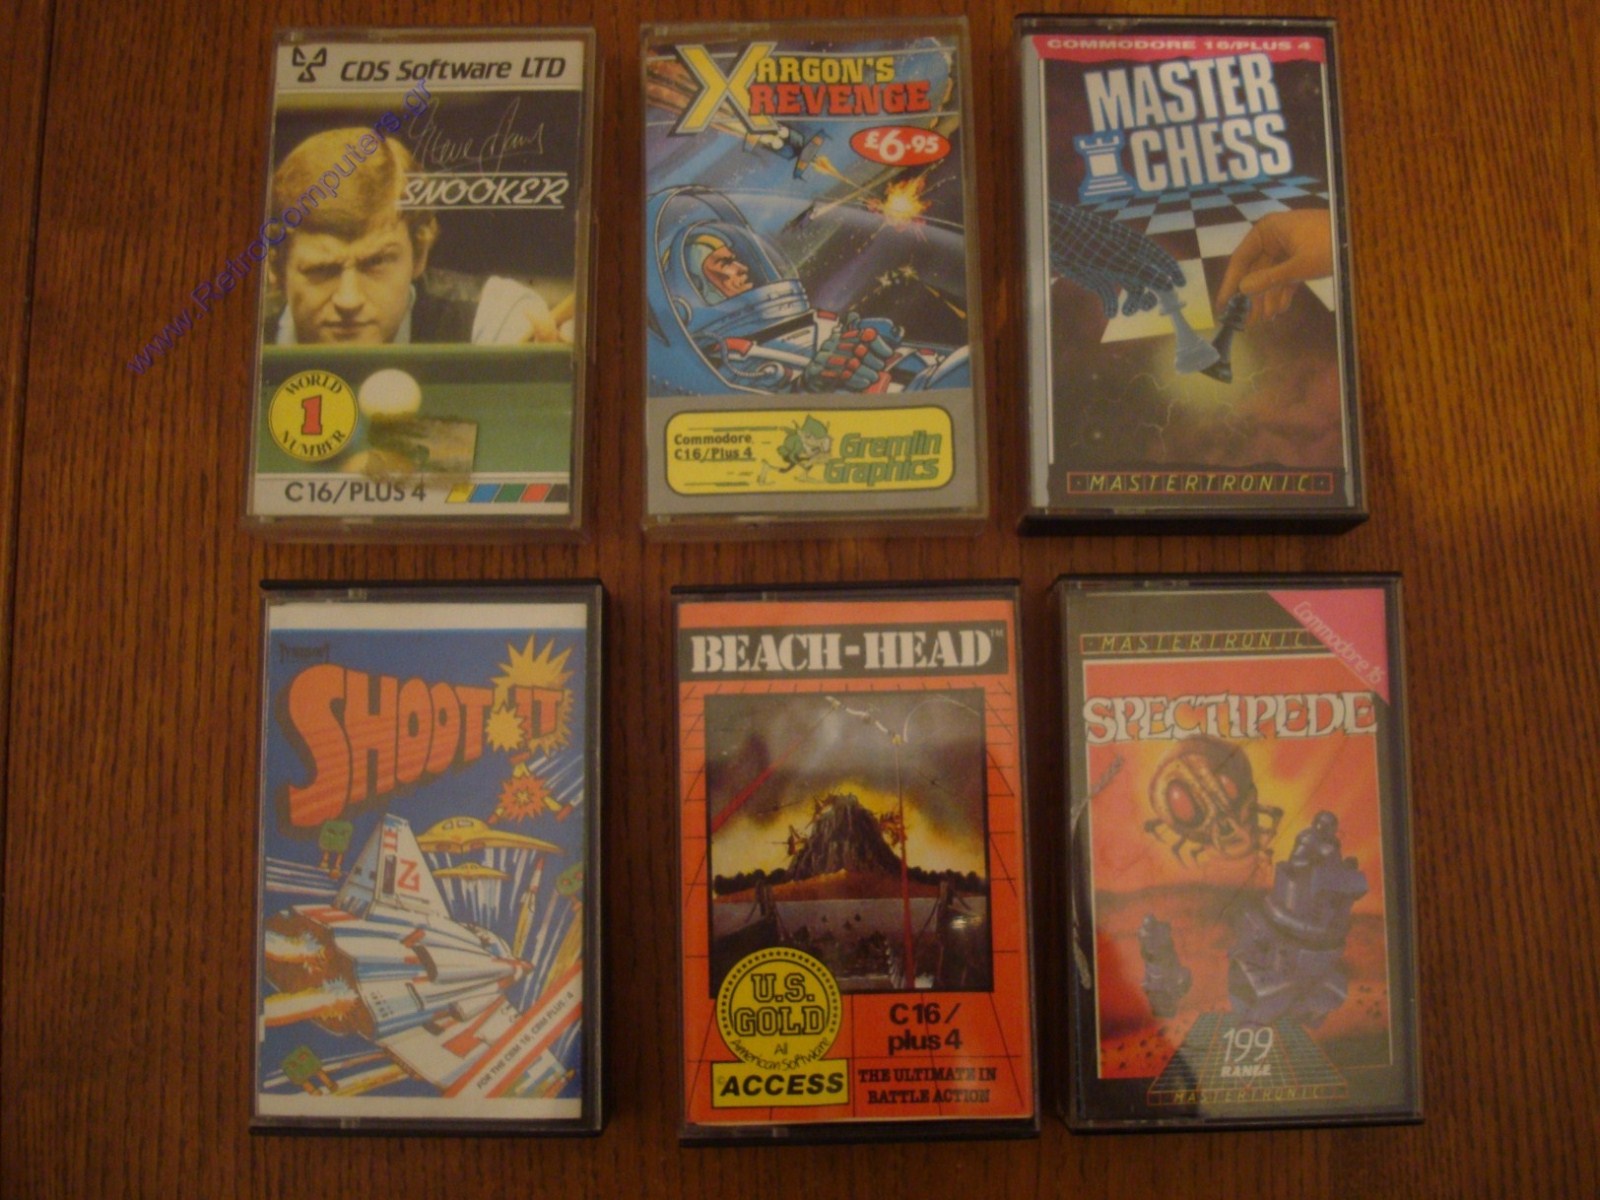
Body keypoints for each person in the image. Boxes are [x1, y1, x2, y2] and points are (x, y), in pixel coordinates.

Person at [264, 129, 571, 346]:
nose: (349, 299)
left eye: (377, 262)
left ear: (419, 253)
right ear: (275, 268)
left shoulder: (495, 318)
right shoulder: (246, 340)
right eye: (322, 269)